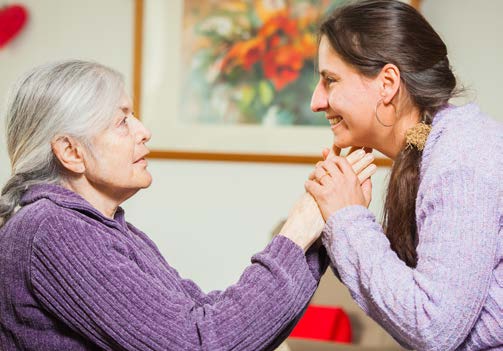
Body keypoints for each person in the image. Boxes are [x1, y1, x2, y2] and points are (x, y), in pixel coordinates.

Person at [0, 60, 375, 351]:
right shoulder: (52, 230)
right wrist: (297, 228)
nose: (143, 130)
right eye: (122, 120)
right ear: (70, 152)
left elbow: (210, 320)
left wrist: (321, 219)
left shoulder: (106, 227)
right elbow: (201, 343)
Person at [303, 1, 502, 350]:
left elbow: (433, 328)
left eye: (330, 80)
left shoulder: (462, 160)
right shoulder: (434, 149)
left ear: (387, 84)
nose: (316, 101)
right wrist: (344, 218)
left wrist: (347, 219)